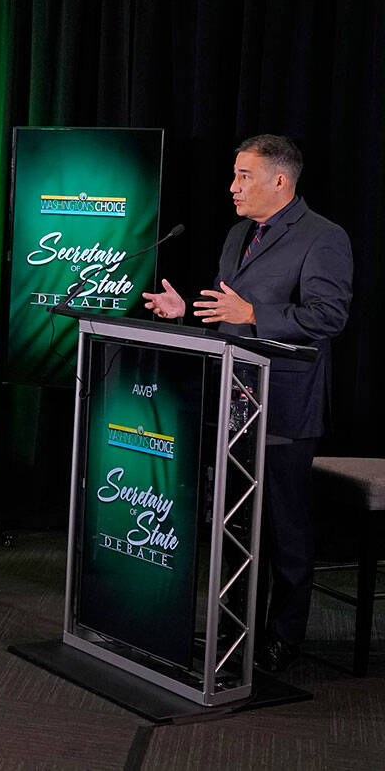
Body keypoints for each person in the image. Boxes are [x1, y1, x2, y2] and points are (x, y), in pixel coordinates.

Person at [141, 134, 352, 672]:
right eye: (234, 175)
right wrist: (187, 310)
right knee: (233, 523)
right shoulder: (239, 234)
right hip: (230, 398)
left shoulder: (323, 237)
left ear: (280, 181)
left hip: (284, 407)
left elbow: (327, 318)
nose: (232, 187)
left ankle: (284, 638)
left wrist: (253, 312)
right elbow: (228, 312)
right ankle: (234, 629)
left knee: (284, 529)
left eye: (243, 176)